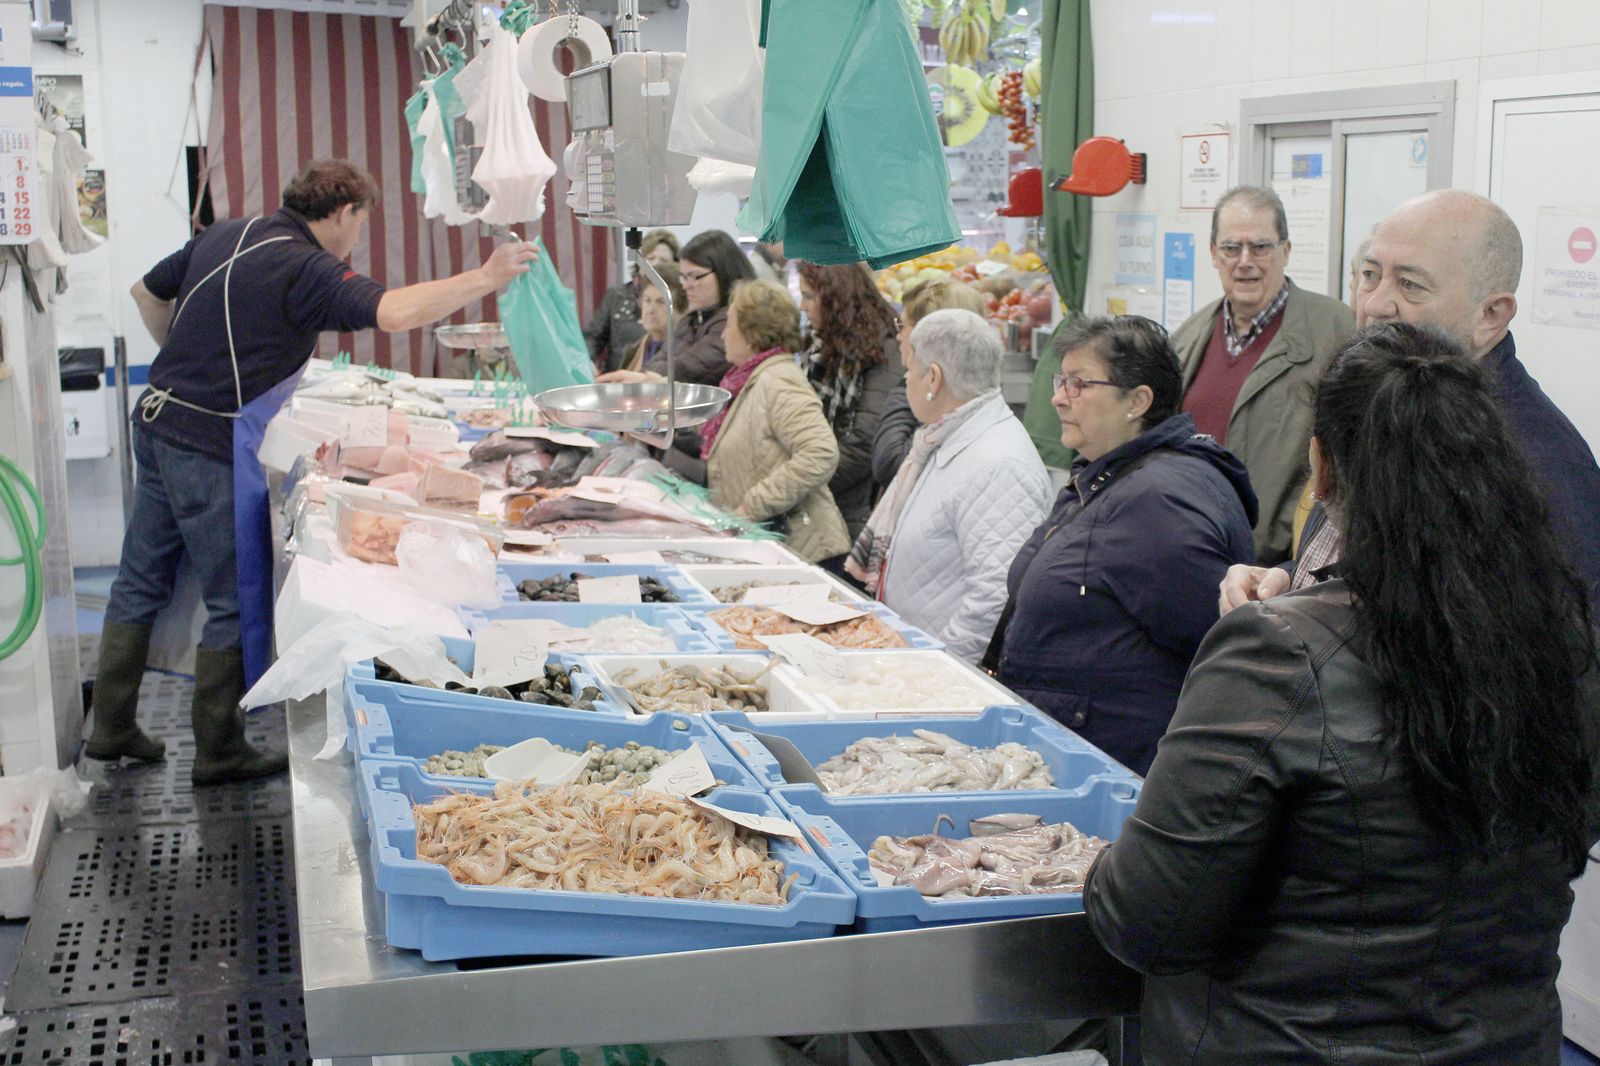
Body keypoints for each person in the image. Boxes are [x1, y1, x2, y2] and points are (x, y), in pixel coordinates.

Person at [1085, 323, 1600, 1064]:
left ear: (1321, 472)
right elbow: (1561, 842)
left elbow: (1146, 923)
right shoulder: (1566, 646)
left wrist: (1097, 860)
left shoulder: (1274, 656)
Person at [92, 159, 539, 784]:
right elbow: (395, 313)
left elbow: (146, 292)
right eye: (360, 223)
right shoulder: (306, 266)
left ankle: (108, 728)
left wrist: (185, 361)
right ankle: (219, 749)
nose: (356, 238)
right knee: (229, 598)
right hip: (207, 443)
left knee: (138, 579)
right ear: (343, 213)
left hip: (157, 420)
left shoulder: (230, 232)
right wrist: (486, 276)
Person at [1220, 189, 1600, 613]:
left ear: (1490, 315)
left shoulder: (1541, 468)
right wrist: (1289, 579)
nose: (1376, 304)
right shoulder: (1381, 401)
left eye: (1410, 284)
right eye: (1369, 274)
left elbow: (1538, 661)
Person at [991, 316, 1257, 774]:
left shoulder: (1160, 501)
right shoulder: (1105, 474)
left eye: (1078, 384)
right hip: (1075, 750)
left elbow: (1219, 646)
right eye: (1061, 381)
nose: (1057, 398)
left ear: (1137, 400)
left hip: (1118, 766)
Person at [846, 309, 1051, 660]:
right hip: (906, 658)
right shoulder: (946, 437)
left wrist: (939, 668)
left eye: (909, 369)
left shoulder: (998, 465)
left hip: (936, 679)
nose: (906, 379)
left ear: (933, 379)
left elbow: (994, 596)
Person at [1170, 185, 1354, 565]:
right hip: (1189, 555)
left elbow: (1346, 459)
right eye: (1231, 248)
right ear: (1212, 254)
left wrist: (1292, 552)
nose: (1245, 261)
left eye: (1261, 247)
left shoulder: (1337, 331)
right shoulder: (1185, 338)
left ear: (1286, 251)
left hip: (1276, 570)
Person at [695, 280, 850, 563]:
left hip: (804, 552)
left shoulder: (779, 380)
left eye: (729, 325)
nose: (723, 335)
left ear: (752, 333)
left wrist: (751, 506)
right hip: (772, 547)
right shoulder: (747, 382)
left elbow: (820, 452)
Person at [796, 261, 904, 543]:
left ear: (835, 300)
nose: (803, 307)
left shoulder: (884, 351)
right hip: (823, 499)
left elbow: (864, 443)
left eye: (809, 297)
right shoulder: (821, 345)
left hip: (852, 512)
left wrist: (802, 481)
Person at [871, 276, 988, 486]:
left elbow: (890, 464)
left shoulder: (942, 397)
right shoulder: (972, 394)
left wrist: (911, 380)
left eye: (902, 325)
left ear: (925, 333)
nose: (898, 336)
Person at [642, 230, 755, 386]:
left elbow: (685, 371)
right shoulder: (689, 320)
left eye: (695, 276)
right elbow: (657, 365)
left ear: (723, 272)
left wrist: (651, 376)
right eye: (683, 277)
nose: (686, 285)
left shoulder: (735, 322)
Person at [582, 228, 676, 372]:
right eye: (651, 258)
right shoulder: (616, 295)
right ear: (640, 262)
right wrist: (588, 361)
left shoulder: (677, 299)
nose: (656, 265)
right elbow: (593, 337)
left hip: (658, 377)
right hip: (617, 379)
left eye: (664, 261)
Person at [610, 263, 686, 376]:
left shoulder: (685, 353)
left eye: (661, 302)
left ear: (680, 308)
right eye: (647, 300)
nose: (650, 310)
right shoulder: (633, 349)